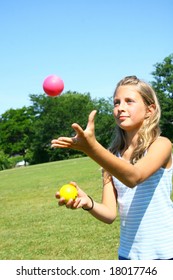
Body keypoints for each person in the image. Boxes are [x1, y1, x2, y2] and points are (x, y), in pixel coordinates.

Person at [51, 75, 173, 260]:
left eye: (129, 101)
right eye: (116, 103)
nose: (120, 108)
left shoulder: (161, 144)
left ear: (150, 110)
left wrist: (91, 148)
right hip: (127, 256)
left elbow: (134, 177)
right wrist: (88, 203)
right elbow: (109, 214)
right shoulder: (111, 156)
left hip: (165, 253)